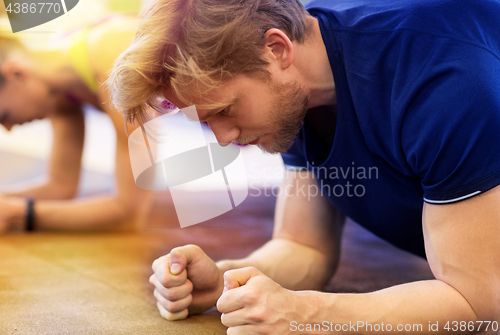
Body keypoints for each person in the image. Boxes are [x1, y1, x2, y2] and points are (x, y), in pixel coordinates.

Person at [108, 0, 500, 333]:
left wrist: (304, 314)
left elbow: (478, 306)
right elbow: (304, 247)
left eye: (224, 111)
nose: (223, 138)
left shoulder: (444, 83)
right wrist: (229, 281)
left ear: (276, 50)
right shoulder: (293, 93)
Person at [0, 16, 152, 232]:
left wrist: (19, 214)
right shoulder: (58, 88)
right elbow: (61, 186)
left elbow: (129, 213)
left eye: (4, 116)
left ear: (16, 73)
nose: (8, 129)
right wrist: (5, 200)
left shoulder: (111, 56)